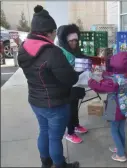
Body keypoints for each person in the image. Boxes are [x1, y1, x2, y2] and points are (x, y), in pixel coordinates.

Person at [17, 5, 80, 168]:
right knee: (54, 138)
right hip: (55, 103)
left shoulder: (23, 47)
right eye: (53, 33)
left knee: (44, 131)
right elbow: (69, 78)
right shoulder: (52, 52)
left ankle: (46, 162)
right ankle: (60, 164)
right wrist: (76, 73)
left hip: (36, 101)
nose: (54, 37)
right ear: (48, 33)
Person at [88, 52, 127, 162]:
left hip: (114, 107)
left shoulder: (113, 81)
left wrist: (91, 81)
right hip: (125, 106)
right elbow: (111, 74)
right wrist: (103, 73)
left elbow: (100, 86)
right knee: (121, 128)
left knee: (113, 130)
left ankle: (121, 154)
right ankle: (121, 147)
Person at [57, 24, 88, 144]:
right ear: (66, 40)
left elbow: (82, 59)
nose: (74, 43)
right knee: (69, 110)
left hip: (77, 84)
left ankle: (76, 125)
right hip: (68, 87)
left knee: (75, 107)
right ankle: (69, 133)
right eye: (71, 41)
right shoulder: (61, 52)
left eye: (76, 40)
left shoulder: (76, 51)